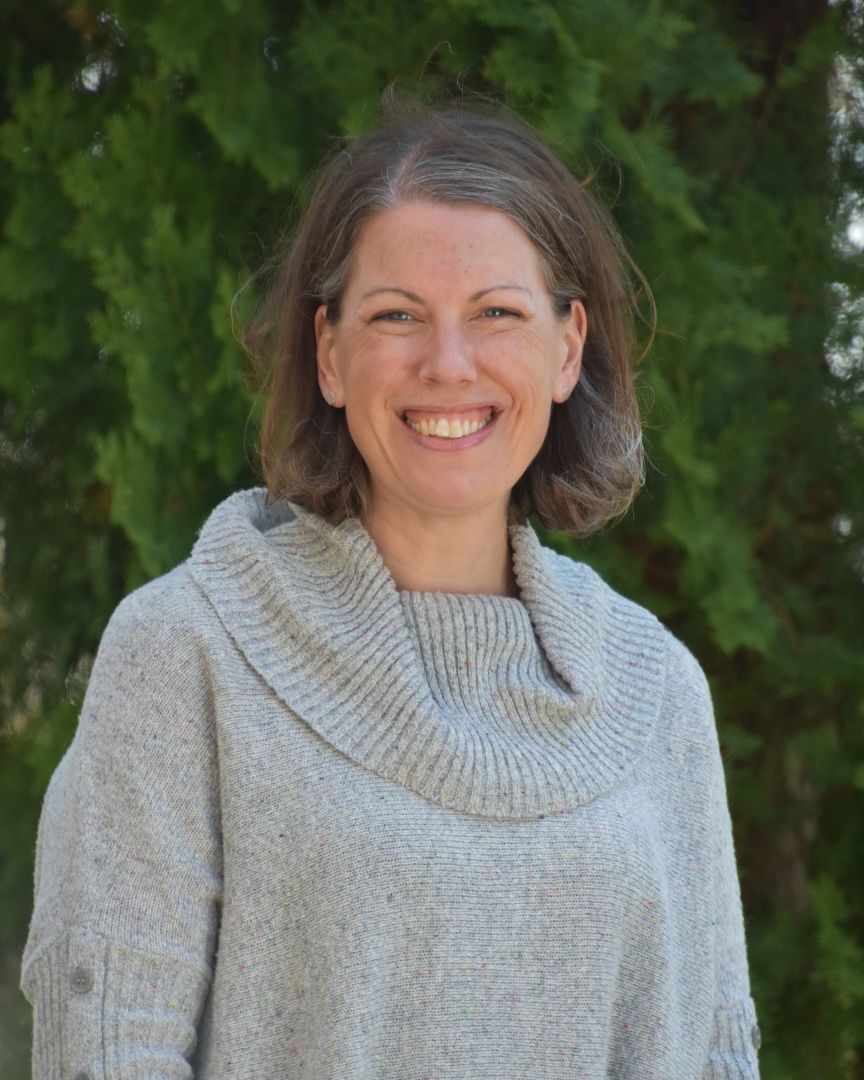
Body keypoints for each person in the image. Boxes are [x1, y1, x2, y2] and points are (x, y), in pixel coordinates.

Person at [20, 98, 761, 1079]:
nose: (446, 364)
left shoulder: (658, 692)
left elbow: (711, 1054)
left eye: (497, 312)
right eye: (396, 315)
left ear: (568, 348)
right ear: (330, 354)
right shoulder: (185, 653)